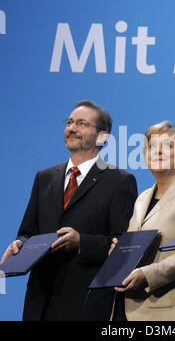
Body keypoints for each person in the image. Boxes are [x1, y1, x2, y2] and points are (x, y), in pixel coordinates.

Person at [1, 100, 137, 321]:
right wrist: (20, 244)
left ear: (102, 136)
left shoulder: (119, 181)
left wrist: (81, 242)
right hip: (40, 298)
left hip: (84, 299)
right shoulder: (43, 178)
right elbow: (28, 231)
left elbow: (123, 245)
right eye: (70, 122)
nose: (71, 128)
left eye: (82, 123)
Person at [110, 121, 175, 321]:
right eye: (152, 147)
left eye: (168, 146)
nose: (157, 151)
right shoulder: (142, 198)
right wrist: (119, 254)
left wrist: (147, 275)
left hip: (167, 310)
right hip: (127, 306)